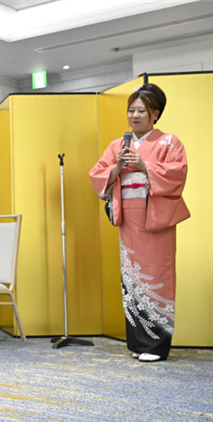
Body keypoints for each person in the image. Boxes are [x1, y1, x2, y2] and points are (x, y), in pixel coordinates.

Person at [89, 83, 190, 362]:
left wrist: (145, 165)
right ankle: (137, 343)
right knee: (132, 278)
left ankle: (155, 346)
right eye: (131, 110)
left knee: (156, 275)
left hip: (155, 217)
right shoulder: (117, 145)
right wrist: (117, 167)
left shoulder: (169, 142)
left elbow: (178, 173)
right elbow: (98, 175)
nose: (134, 116)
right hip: (129, 220)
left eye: (141, 111)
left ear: (155, 114)